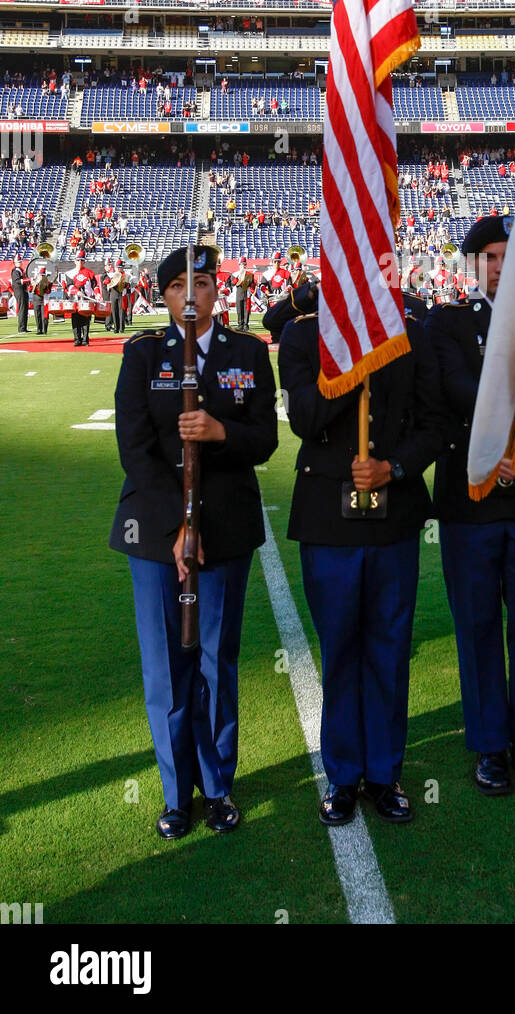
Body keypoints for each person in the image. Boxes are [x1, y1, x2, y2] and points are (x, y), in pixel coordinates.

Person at [109, 245, 278, 839]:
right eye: (179, 284)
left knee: (214, 663)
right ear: (164, 295)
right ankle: (176, 793)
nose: (191, 294)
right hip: (158, 537)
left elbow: (263, 441)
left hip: (226, 533)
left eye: (202, 283)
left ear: (217, 292)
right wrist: (178, 524)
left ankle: (219, 786)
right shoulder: (142, 356)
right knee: (166, 669)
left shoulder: (249, 353)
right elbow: (135, 449)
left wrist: (219, 430)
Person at [279, 292, 444, 827]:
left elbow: (433, 426)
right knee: (342, 649)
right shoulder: (304, 335)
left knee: (390, 650)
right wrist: (354, 360)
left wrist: (393, 468)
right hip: (328, 521)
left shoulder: (411, 331)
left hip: (393, 517)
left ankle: (384, 774)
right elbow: (305, 417)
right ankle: (343, 775)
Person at [425, 216, 515, 797]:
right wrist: (491, 453)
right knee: (478, 627)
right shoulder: (448, 322)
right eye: (490, 256)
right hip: (471, 501)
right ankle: (489, 744)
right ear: (473, 265)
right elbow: (449, 397)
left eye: (512, 256)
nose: (502, 266)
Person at [233, 258, 255, 330]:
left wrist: (252, 290)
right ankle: (240, 324)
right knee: (239, 309)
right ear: (239, 265)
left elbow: (251, 285)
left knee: (246, 309)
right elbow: (233, 283)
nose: (243, 266)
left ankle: (246, 325)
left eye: (245, 264)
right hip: (239, 292)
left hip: (246, 292)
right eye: (242, 264)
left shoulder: (250, 274)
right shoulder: (235, 274)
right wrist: (238, 277)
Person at [31, 264, 52, 335]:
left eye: (43, 275)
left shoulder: (47, 282)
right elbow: (30, 290)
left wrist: (46, 286)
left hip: (44, 300)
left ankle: (44, 330)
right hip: (36, 299)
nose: (41, 277)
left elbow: (48, 291)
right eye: (40, 275)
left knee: (45, 316)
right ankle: (39, 330)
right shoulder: (35, 282)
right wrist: (34, 284)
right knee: (37, 315)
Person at [10, 257, 29, 333]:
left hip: (23, 290)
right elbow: (17, 281)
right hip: (19, 291)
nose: (20, 263)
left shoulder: (20, 270)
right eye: (18, 262)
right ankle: (21, 328)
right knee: (22, 309)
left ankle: (24, 327)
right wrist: (28, 280)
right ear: (15, 263)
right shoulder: (15, 271)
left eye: (20, 262)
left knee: (24, 309)